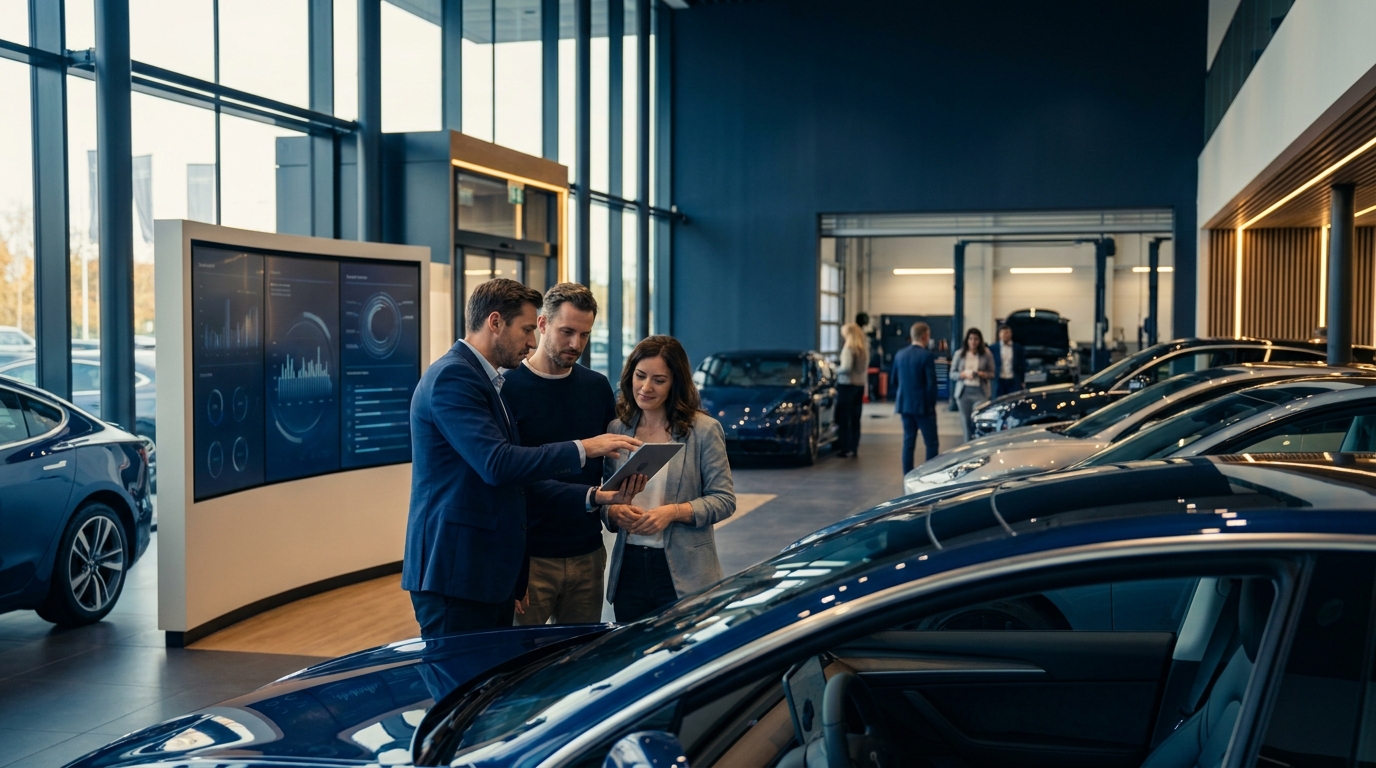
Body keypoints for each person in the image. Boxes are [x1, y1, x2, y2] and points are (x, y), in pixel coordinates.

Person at [403, 279, 641, 637]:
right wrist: (584, 447)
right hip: (458, 572)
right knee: (463, 689)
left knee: (491, 686)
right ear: (495, 322)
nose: (531, 341)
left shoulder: (489, 382)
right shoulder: (454, 377)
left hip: (485, 572)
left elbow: (515, 481)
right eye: (527, 329)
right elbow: (498, 464)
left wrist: (592, 497)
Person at [502, 283, 633, 626]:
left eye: (585, 335)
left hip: (587, 553)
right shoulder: (507, 388)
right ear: (542, 324)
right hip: (529, 557)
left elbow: (609, 464)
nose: (576, 344)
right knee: (520, 665)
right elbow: (509, 474)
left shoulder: (596, 387)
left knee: (580, 663)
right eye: (567, 332)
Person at [602, 336, 736, 622]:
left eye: (659, 380)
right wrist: (613, 512)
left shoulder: (703, 430)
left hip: (686, 572)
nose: (646, 388)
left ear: (675, 383)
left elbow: (724, 500)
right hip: (630, 570)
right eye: (640, 376)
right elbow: (605, 498)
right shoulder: (618, 429)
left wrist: (673, 513)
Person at [890, 322, 940, 475]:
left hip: (905, 405)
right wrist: (931, 404)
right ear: (925, 336)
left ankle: (907, 475)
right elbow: (931, 384)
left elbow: (894, 380)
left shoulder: (900, 354)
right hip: (923, 407)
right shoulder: (927, 356)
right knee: (931, 443)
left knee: (908, 442)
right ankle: (930, 475)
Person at [952, 327, 995, 441]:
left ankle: (979, 445)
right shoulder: (959, 354)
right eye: (970, 339)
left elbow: (992, 373)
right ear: (967, 340)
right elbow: (952, 374)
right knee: (966, 423)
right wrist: (962, 375)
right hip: (964, 391)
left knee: (978, 421)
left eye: (976, 339)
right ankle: (967, 446)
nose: (973, 342)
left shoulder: (986, 354)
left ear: (980, 340)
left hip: (980, 392)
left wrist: (982, 374)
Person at [834, 323, 869, 458]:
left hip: (847, 385)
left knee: (844, 418)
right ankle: (854, 448)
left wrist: (835, 370)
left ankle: (844, 448)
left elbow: (846, 368)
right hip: (859, 385)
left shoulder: (849, 349)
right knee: (855, 418)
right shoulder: (863, 349)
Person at [991, 323, 1026, 398]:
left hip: (1013, 380)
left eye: (1007, 332)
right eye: (1003, 333)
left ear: (1011, 334)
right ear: (999, 334)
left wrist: (1022, 380)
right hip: (999, 380)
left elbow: (1022, 364)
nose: (1005, 335)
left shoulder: (1018, 348)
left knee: (1014, 400)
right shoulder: (993, 348)